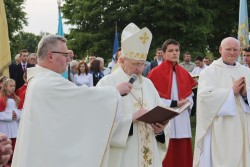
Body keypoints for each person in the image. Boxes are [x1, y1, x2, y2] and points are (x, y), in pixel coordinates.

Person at [12, 34, 132, 167]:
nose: (68, 59)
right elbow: (83, 98)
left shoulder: (41, 80)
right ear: (50, 56)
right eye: (65, 55)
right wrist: (115, 92)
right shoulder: (47, 82)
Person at [97, 23, 170, 167]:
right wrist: (132, 118)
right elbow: (99, 122)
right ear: (122, 61)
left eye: (142, 64)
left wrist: (160, 130)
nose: (140, 69)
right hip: (123, 156)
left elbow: (161, 113)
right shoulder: (108, 83)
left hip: (149, 152)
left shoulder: (148, 84)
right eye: (135, 64)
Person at [193, 37, 250, 167]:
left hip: (244, 125)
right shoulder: (209, 72)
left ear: (240, 50)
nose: (232, 52)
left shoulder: (246, 71)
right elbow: (204, 98)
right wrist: (231, 92)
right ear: (220, 50)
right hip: (221, 127)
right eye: (228, 49)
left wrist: (246, 94)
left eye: (235, 49)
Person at [148, 39, 197, 167]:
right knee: (167, 154)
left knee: (182, 155)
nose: (174, 53)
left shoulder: (184, 73)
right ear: (163, 54)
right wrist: (174, 103)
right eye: (170, 51)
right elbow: (152, 99)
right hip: (166, 119)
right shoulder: (155, 73)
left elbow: (191, 96)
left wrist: (187, 103)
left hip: (181, 119)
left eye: (176, 50)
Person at [0, 79, 22, 165]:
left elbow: (20, 111)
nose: (13, 88)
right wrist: (9, 116)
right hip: (4, 127)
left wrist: (17, 115)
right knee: (6, 145)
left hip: (14, 126)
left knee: (15, 146)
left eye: (14, 86)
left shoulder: (16, 99)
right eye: (11, 86)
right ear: (5, 87)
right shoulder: (1, 99)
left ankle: (14, 162)